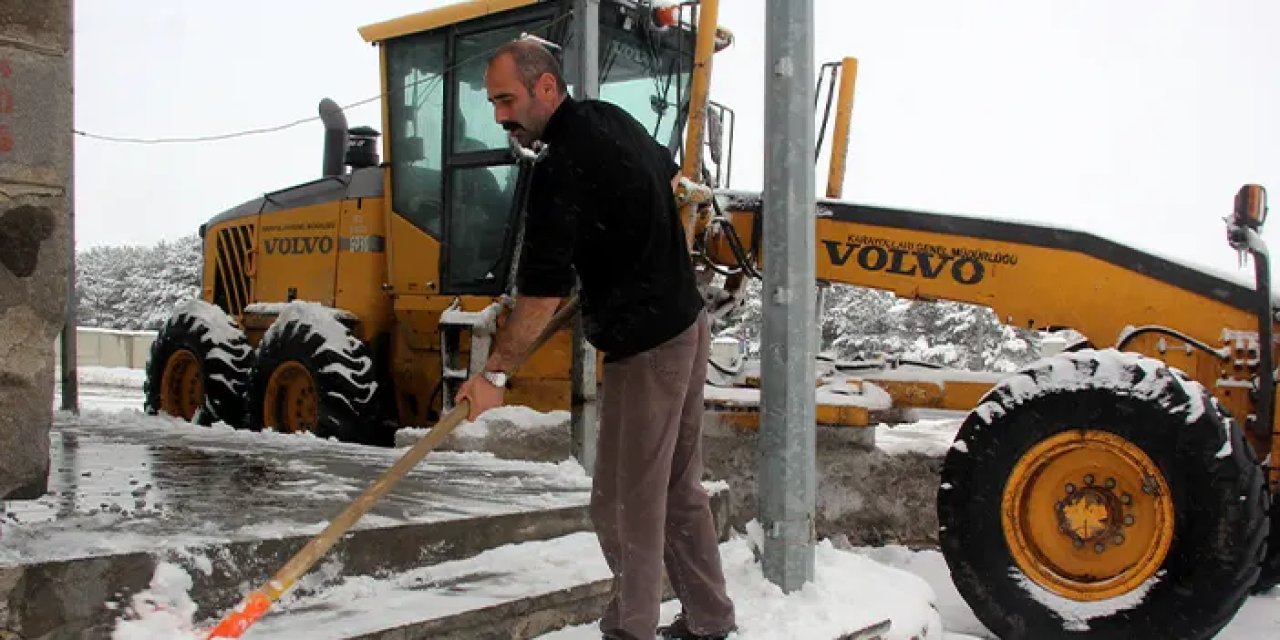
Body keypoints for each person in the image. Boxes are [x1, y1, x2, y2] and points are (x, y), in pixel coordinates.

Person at [455, 38, 736, 640]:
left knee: (621, 503)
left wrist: (495, 375)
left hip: (649, 344)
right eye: (493, 101)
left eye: (507, 100)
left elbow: (539, 298)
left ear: (546, 88)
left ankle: (630, 629)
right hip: (686, 322)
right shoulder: (608, 118)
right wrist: (618, 253)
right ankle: (711, 620)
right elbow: (664, 177)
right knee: (677, 487)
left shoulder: (558, 167)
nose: (500, 115)